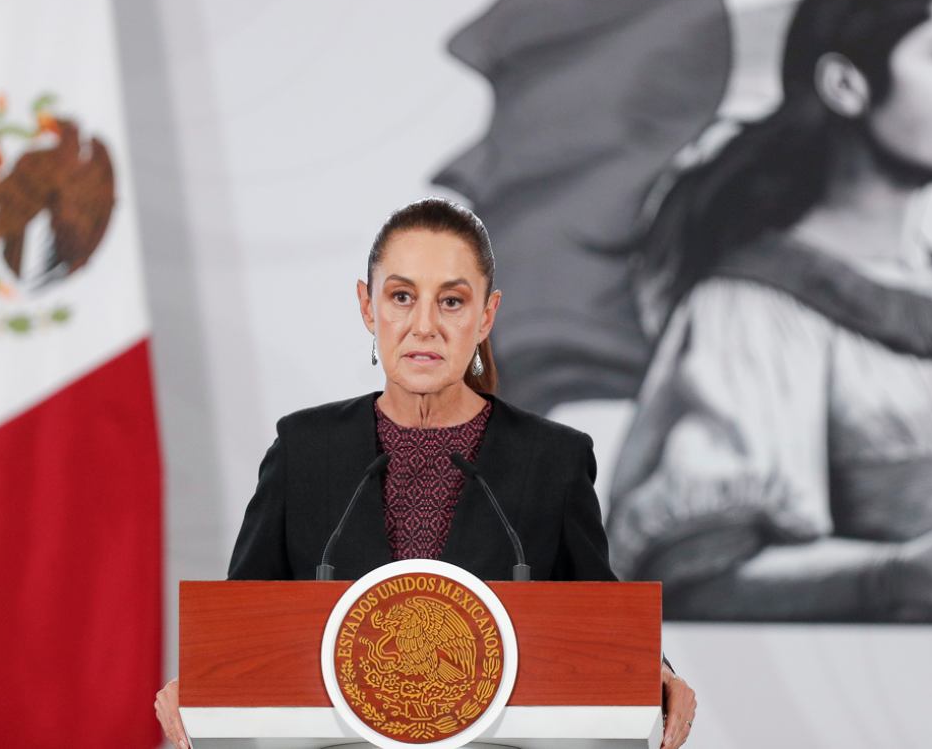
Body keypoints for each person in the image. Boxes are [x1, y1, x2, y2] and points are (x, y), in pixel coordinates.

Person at [607, 0, 932, 622]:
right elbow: (693, 579)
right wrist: (898, 576)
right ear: (847, 85)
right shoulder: (749, 309)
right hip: (831, 697)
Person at [156, 198, 697, 746]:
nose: (424, 326)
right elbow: (242, 622)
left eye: (452, 301)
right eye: (401, 297)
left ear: (486, 315)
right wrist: (199, 680)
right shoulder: (305, 450)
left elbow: (601, 617)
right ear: (368, 307)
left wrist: (660, 673)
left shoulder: (551, 459)